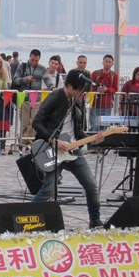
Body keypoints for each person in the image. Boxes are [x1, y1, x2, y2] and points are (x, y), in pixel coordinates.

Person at [32, 69, 104, 229]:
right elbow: (36, 122)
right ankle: (25, 216)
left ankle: (95, 221)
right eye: (80, 91)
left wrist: (92, 139)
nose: (82, 94)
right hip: (53, 150)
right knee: (48, 190)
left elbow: (77, 130)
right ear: (70, 86)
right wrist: (54, 141)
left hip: (72, 150)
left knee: (91, 185)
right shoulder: (55, 97)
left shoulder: (77, 101)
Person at [13, 49, 55, 140]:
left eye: (36, 60)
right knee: (24, 123)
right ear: (29, 56)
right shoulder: (22, 66)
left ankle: (25, 140)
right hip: (23, 98)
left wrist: (52, 87)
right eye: (32, 60)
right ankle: (24, 141)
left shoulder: (42, 68)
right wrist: (25, 79)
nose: (34, 62)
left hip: (36, 99)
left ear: (39, 59)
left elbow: (47, 79)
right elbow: (15, 80)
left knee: (34, 122)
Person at [90, 54, 119, 131]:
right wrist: (97, 90)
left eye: (109, 62)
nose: (107, 63)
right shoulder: (95, 73)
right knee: (94, 126)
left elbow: (115, 89)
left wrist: (106, 89)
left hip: (107, 105)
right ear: (102, 62)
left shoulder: (114, 75)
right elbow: (90, 87)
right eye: (106, 61)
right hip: (95, 104)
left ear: (112, 64)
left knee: (105, 127)